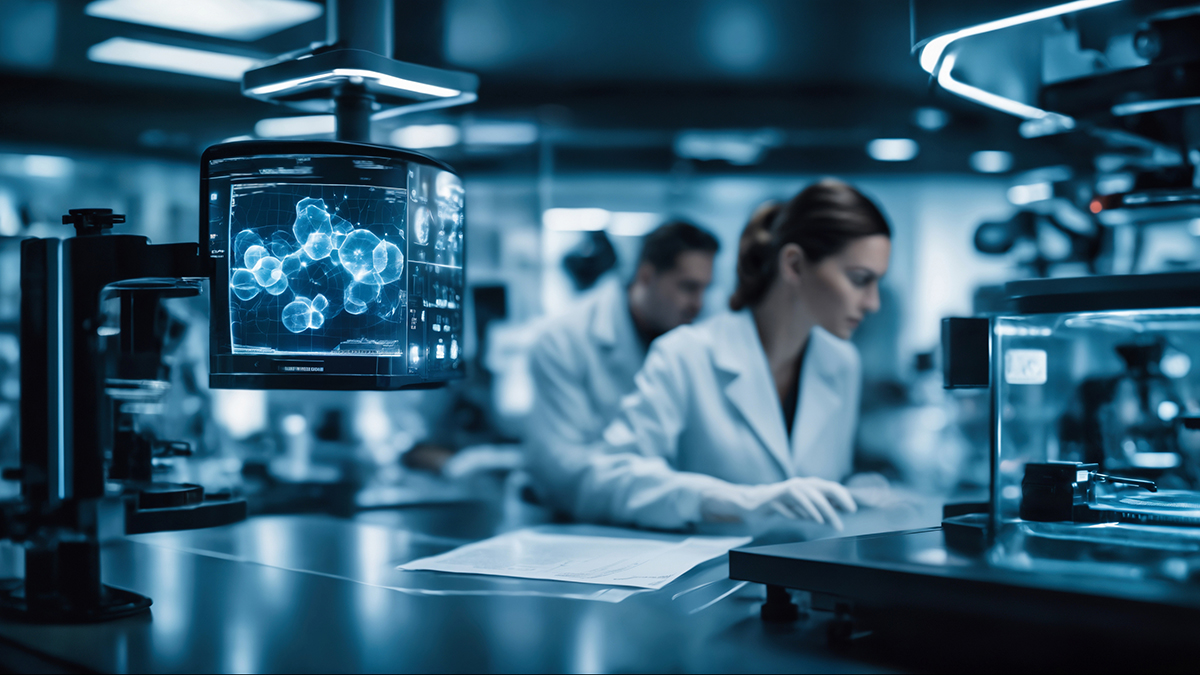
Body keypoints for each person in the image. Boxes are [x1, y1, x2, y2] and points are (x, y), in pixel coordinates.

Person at [528, 178, 891, 531]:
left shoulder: (842, 362)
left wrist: (858, 489)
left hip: (813, 582)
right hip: (712, 587)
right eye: (859, 279)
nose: (873, 303)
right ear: (794, 265)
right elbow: (609, 481)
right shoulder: (684, 353)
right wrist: (737, 501)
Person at [526, 221, 720, 505]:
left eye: (706, 289)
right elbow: (564, 471)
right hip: (581, 522)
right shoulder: (564, 340)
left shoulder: (697, 338)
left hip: (672, 514)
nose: (699, 304)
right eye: (688, 287)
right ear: (646, 276)